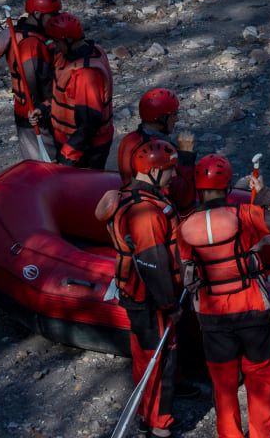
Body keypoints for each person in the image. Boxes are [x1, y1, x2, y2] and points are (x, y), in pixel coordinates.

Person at [177, 155, 270, 438]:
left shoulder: (184, 228)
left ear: (199, 188)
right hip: (252, 310)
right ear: (227, 186)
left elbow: (187, 275)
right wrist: (269, 195)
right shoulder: (245, 215)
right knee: (261, 378)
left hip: (213, 317)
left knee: (223, 386)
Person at [106, 140, 183, 438]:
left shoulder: (129, 195)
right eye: (169, 170)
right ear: (151, 172)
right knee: (161, 358)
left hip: (134, 294)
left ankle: (145, 413)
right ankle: (159, 424)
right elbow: (153, 264)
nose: (174, 176)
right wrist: (171, 305)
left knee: (143, 354)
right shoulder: (146, 215)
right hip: (150, 299)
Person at [0, 0, 60, 161]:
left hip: (23, 108)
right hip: (35, 113)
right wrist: (45, 108)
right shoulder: (31, 44)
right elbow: (34, 82)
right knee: (48, 164)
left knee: (34, 161)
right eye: (52, 14)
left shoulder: (19, 32)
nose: (55, 18)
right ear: (37, 14)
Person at [45, 11, 114, 169]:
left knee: (85, 191)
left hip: (86, 148)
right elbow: (64, 95)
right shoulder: (84, 52)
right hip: (68, 140)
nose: (53, 46)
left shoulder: (86, 74)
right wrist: (44, 108)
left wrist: (68, 155)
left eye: (56, 41)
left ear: (69, 40)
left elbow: (89, 124)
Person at [117, 88, 197, 213]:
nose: (176, 119)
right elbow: (183, 199)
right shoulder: (162, 151)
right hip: (155, 211)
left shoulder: (128, 140)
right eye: (174, 114)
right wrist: (186, 157)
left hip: (132, 202)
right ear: (161, 118)